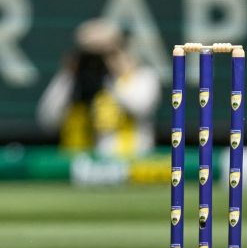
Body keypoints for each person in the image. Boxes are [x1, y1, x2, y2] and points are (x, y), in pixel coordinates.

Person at [36, 18, 160, 158]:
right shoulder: (71, 79)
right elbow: (47, 121)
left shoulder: (140, 76)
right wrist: (68, 78)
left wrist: (115, 78)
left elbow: (141, 106)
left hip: (129, 163)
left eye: (106, 53)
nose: (99, 61)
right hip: (77, 163)